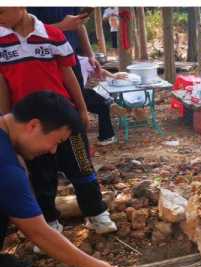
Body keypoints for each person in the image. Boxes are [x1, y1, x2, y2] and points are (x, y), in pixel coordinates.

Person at [0, 8, 117, 253]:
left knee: (82, 167)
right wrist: (6, 121)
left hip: (64, 118)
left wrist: (82, 109)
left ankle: (96, 212)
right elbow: (2, 84)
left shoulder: (52, 35)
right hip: (30, 128)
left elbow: (69, 73)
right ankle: (50, 224)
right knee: (41, 175)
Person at [0, 92, 117, 267]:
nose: (53, 151)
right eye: (57, 141)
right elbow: (39, 233)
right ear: (33, 126)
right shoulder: (6, 168)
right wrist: (93, 266)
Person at [78, 56, 118, 146]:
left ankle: (112, 103)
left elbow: (99, 71)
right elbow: (99, 71)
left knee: (98, 97)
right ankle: (106, 137)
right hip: (77, 92)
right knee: (103, 106)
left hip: (76, 91)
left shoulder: (73, 57)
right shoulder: (84, 60)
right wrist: (113, 76)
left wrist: (114, 76)